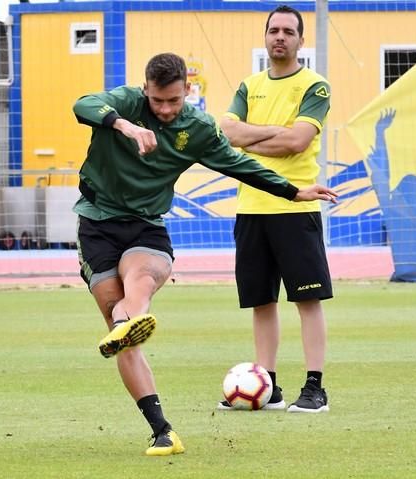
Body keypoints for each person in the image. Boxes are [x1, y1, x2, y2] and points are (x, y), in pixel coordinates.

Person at [73, 52, 337, 456]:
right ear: (146, 90)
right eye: (158, 101)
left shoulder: (196, 128)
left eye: (174, 101)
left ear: (188, 93)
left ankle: (129, 319)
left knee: (138, 281)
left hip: (146, 225)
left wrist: (293, 190)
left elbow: (238, 164)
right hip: (97, 223)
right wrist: (125, 126)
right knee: (120, 330)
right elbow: (83, 105)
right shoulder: (126, 103)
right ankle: (162, 429)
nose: (164, 109)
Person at [218, 4, 333, 413]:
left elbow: (297, 142)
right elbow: (225, 131)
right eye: (273, 30)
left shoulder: (315, 86)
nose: (279, 36)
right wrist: (269, 134)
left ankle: (315, 387)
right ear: (265, 37)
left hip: (295, 209)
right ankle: (268, 386)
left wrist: (248, 141)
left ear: (301, 40)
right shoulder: (249, 86)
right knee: (260, 302)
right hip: (250, 209)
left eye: (288, 31)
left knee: (308, 301)